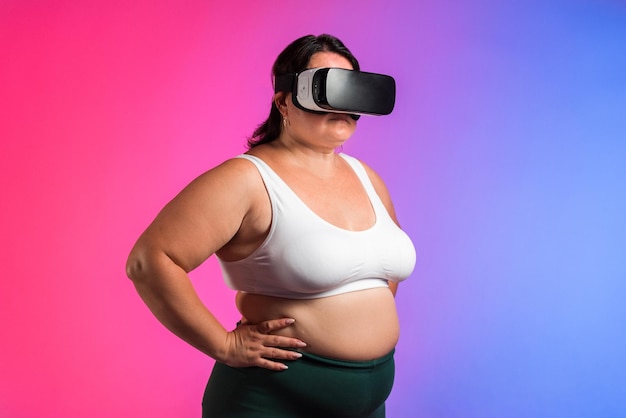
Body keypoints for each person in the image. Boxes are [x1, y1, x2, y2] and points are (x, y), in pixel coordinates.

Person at [126, 33, 416, 418]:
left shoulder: (368, 177)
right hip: (272, 398)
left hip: (368, 401)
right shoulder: (247, 179)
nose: (342, 106)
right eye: (326, 89)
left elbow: (379, 273)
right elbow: (150, 260)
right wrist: (223, 345)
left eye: (351, 90)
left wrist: (363, 327)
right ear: (284, 101)